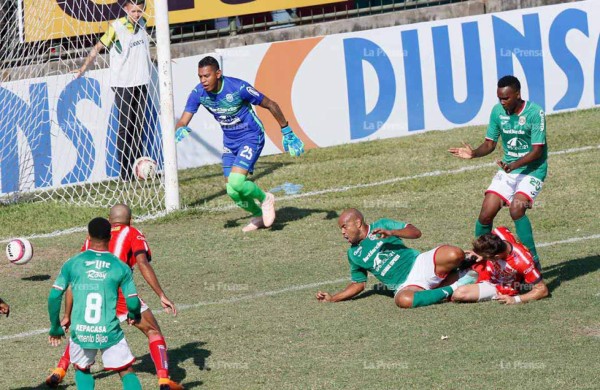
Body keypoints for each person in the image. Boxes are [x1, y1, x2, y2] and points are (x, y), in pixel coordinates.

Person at [46, 204, 183, 390]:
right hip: (120, 294)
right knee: (152, 331)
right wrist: (161, 295)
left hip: (87, 297)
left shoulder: (88, 244)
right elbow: (142, 263)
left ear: (109, 221)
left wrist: (67, 315)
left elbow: (73, 283)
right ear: (130, 220)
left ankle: (61, 368)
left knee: (85, 334)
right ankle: (164, 380)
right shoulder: (132, 233)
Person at [175, 55, 304, 232]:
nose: (203, 81)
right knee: (232, 191)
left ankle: (266, 199)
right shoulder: (198, 94)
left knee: (236, 181)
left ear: (218, 73)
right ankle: (258, 214)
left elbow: (271, 104)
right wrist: (180, 128)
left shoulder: (238, 88)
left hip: (251, 136)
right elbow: (183, 120)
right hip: (230, 142)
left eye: (207, 76)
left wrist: (286, 130)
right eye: (200, 77)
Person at [449, 75, 547, 270]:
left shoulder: (535, 113)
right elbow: (490, 144)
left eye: (506, 98)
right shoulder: (497, 112)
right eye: (499, 98)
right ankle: (482, 259)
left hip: (532, 170)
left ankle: (532, 260)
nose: (502, 102)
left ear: (517, 94)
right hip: (508, 170)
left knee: (516, 209)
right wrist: (474, 153)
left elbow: (537, 151)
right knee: (486, 214)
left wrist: (514, 164)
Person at [47, 217, 143, 389]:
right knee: (125, 370)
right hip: (109, 332)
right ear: (110, 237)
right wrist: (134, 314)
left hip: (81, 332)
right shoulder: (121, 267)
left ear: (88, 236)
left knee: (82, 369)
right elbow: (133, 302)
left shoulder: (72, 263)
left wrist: (55, 326)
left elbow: (54, 297)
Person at [315, 209, 479, 309]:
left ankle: (450, 277)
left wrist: (392, 233)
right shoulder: (353, 254)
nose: (342, 232)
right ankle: (455, 286)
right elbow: (358, 284)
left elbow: (416, 232)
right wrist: (333, 298)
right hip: (407, 285)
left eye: (345, 227)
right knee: (403, 300)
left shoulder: (383, 224)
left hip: (420, 263)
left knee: (454, 253)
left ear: (358, 223)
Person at [76, 0, 151, 181]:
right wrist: (83, 67)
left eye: (139, 11)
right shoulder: (116, 27)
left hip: (142, 82)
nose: (137, 14)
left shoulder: (143, 23)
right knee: (126, 127)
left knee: (139, 125)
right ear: (126, 9)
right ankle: (124, 172)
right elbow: (97, 47)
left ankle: (138, 168)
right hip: (123, 84)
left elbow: (143, 51)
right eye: (133, 11)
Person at [452, 226, 548, 304]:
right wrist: (477, 252)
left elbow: (542, 290)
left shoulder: (523, 262)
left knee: (459, 294)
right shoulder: (499, 232)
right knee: (447, 267)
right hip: (484, 269)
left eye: (485, 256)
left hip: (499, 284)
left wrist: (515, 300)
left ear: (496, 257)